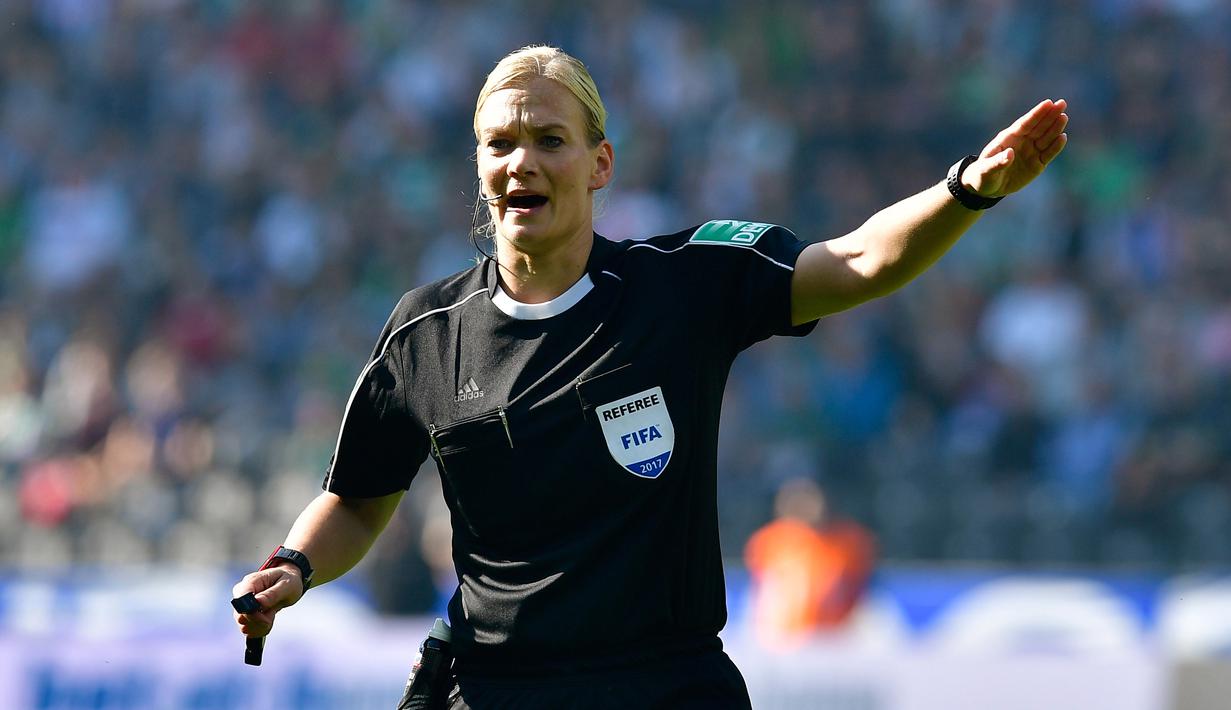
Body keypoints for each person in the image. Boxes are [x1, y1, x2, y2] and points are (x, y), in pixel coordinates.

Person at [232, 45, 1068, 708]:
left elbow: (854, 262)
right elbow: (357, 497)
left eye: (548, 140)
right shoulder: (425, 329)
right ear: (480, 169)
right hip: (492, 688)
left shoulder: (685, 281)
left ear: (599, 165)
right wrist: (293, 567)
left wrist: (968, 190)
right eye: (500, 144)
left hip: (662, 684)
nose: (521, 161)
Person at [744, 477, 875, 645]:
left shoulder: (849, 541)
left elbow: (858, 592)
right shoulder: (769, 541)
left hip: (832, 639)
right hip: (785, 640)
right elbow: (765, 592)